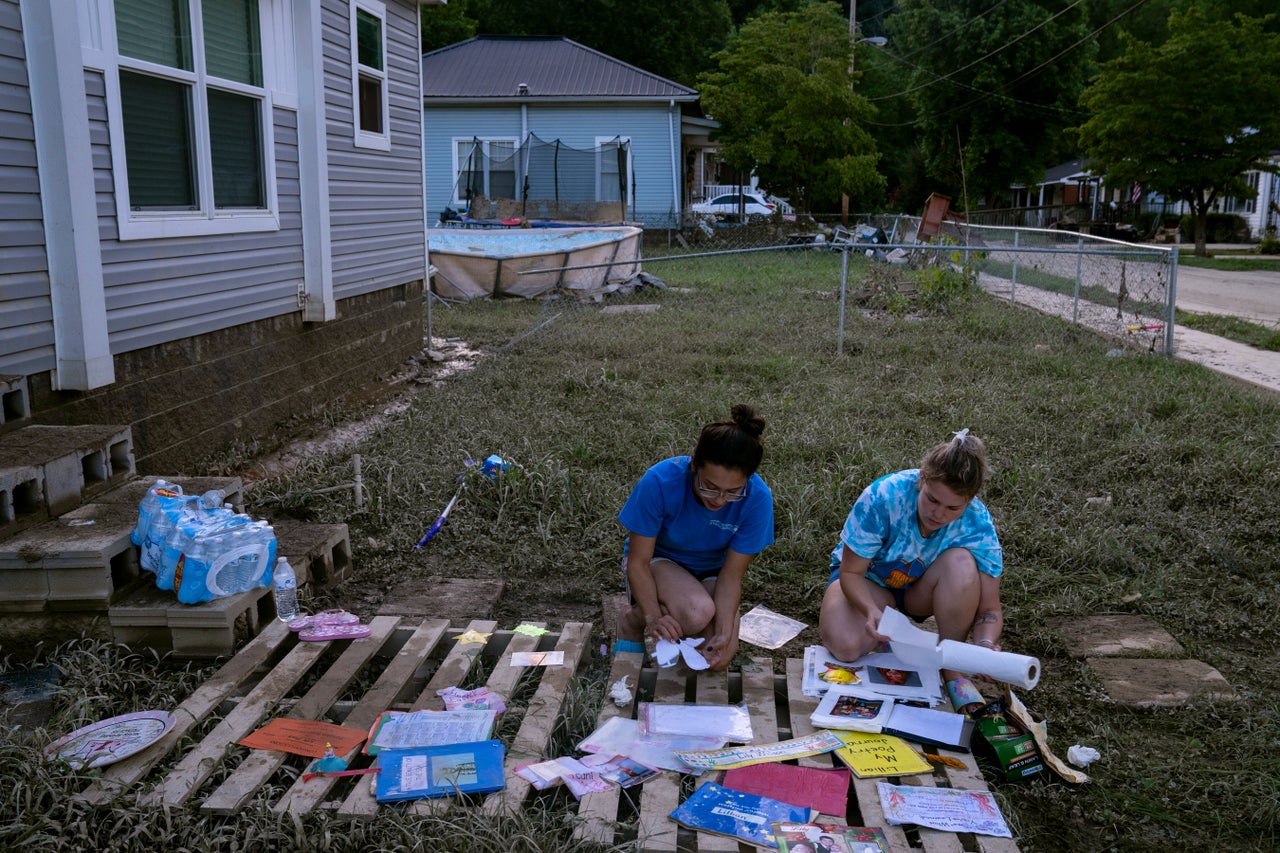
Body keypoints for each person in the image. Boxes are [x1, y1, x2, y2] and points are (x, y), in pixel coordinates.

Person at [819, 429, 1003, 712]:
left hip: (921, 592)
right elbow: (851, 573)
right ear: (922, 479)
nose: (938, 514)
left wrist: (984, 645)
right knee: (845, 646)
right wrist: (869, 610)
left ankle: (951, 665)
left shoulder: (977, 523)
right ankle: (882, 627)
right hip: (867, 582)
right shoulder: (883, 496)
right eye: (932, 499)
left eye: (953, 508)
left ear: (970, 500)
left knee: (962, 563)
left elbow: (989, 607)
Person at [615, 404, 774, 671]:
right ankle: (632, 620)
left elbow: (731, 576)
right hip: (659, 562)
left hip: (713, 572)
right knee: (695, 613)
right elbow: (638, 562)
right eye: (709, 487)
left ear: (748, 479)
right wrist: (653, 617)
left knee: (716, 658)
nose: (720, 500)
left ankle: (696, 621)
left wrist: (724, 632)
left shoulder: (758, 498)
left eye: (732, 491)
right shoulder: (659, 481)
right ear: (694, 465)